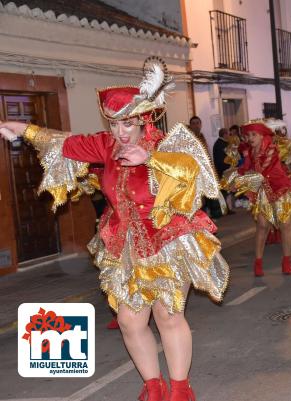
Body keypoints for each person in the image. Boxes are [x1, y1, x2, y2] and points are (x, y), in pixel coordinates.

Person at [0, 59, 230, 401]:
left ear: (143, 118)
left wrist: (149, 159)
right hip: (124, 245)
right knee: (129, 321)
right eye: (114, 124)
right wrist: (21, 128)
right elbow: (66, 142)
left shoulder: (166, 145)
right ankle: (154, 386)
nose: (121, 132)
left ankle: (181, 390)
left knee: (168, 315)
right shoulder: (106, 147)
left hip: (168, 241)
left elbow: (190, 171)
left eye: (127, 123)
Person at [222, 119, 291, 276]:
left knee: (285, 224)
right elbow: (246, 168)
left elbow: (262, 171)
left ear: (262, 136)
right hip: (263, 191)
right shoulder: (249, 151)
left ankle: (286, 260)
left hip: (279, 188)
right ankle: (258, 261)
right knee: (262, 225)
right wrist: (234, 178)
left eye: (254, 134)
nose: (251, 138)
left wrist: (243, 180)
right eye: (248, 135)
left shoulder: (272, 149)